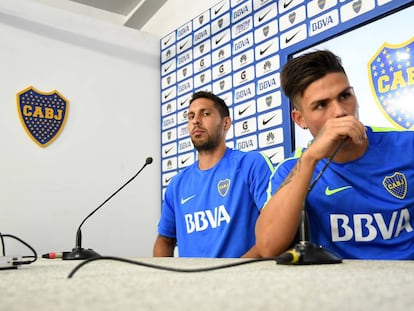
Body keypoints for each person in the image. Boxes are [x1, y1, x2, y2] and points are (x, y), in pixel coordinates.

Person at [255, 50, 414, 260]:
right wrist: (311, 159)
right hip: (337, 288)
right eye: (321, 105)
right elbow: (268, 246)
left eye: (345, 96)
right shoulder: (291, 169)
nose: (340, 111)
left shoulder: (407, 146)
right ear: (300, 119)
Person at [153, 91, 274, 258]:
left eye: (206, 114)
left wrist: (233, 272)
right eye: (191, 116)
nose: (196, 121)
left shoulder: (251, 164)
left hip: (243, 280)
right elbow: (165, 240)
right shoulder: (177, 184)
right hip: (190, 282)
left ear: (226, 123)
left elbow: (276, 229)